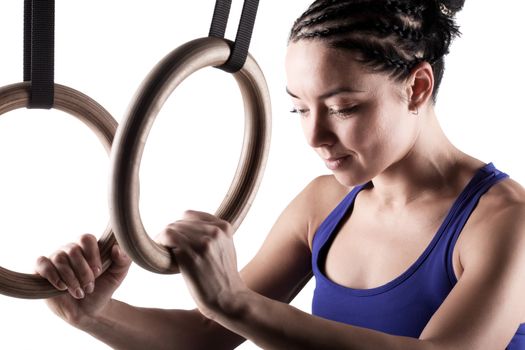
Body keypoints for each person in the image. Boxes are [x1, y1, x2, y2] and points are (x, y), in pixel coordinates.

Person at [36, 0, 525, 348]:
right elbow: (207, 335)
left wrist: (235, 301)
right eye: (299, 109)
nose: (315, 137)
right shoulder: (322, 205)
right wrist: (89, 312)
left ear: (417, 87)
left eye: (343, 107)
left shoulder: (507, 223)